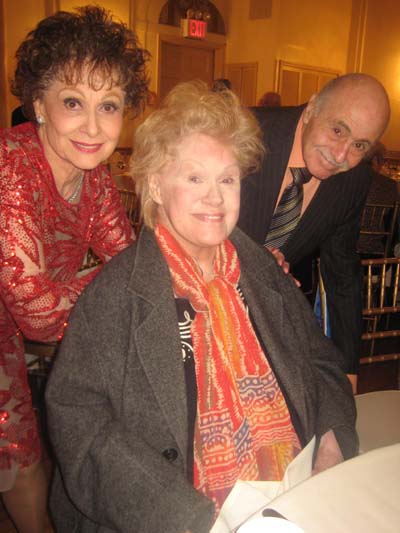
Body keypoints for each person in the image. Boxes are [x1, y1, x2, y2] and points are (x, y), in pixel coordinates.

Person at [46, 81, 358, 533]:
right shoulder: (116, 294)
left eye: (226, 179)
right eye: (194, 177)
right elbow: (80, 422)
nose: (215, 198)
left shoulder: (262, 271)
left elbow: (320, 361)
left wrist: (332, 441)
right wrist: (187, 517)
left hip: (294, 500)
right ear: (155, 184)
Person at [0, 6, 149, 532]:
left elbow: (135, 264)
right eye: (72, 102)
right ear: (38, 104)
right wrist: (113, 281)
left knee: (22, 449)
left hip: (7, 336)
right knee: (16, 447)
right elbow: (40, 315)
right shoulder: (10, 169)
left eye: (108, 105)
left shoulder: (99, 181)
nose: (92, 126)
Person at [238, 73, 391, 392]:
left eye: (359, 145)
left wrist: (349, 372)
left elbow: (342, 276)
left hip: (257, 331)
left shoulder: (353, 182)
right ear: (311, 110)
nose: (340, 155)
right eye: (338, 130)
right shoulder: (243, 128)